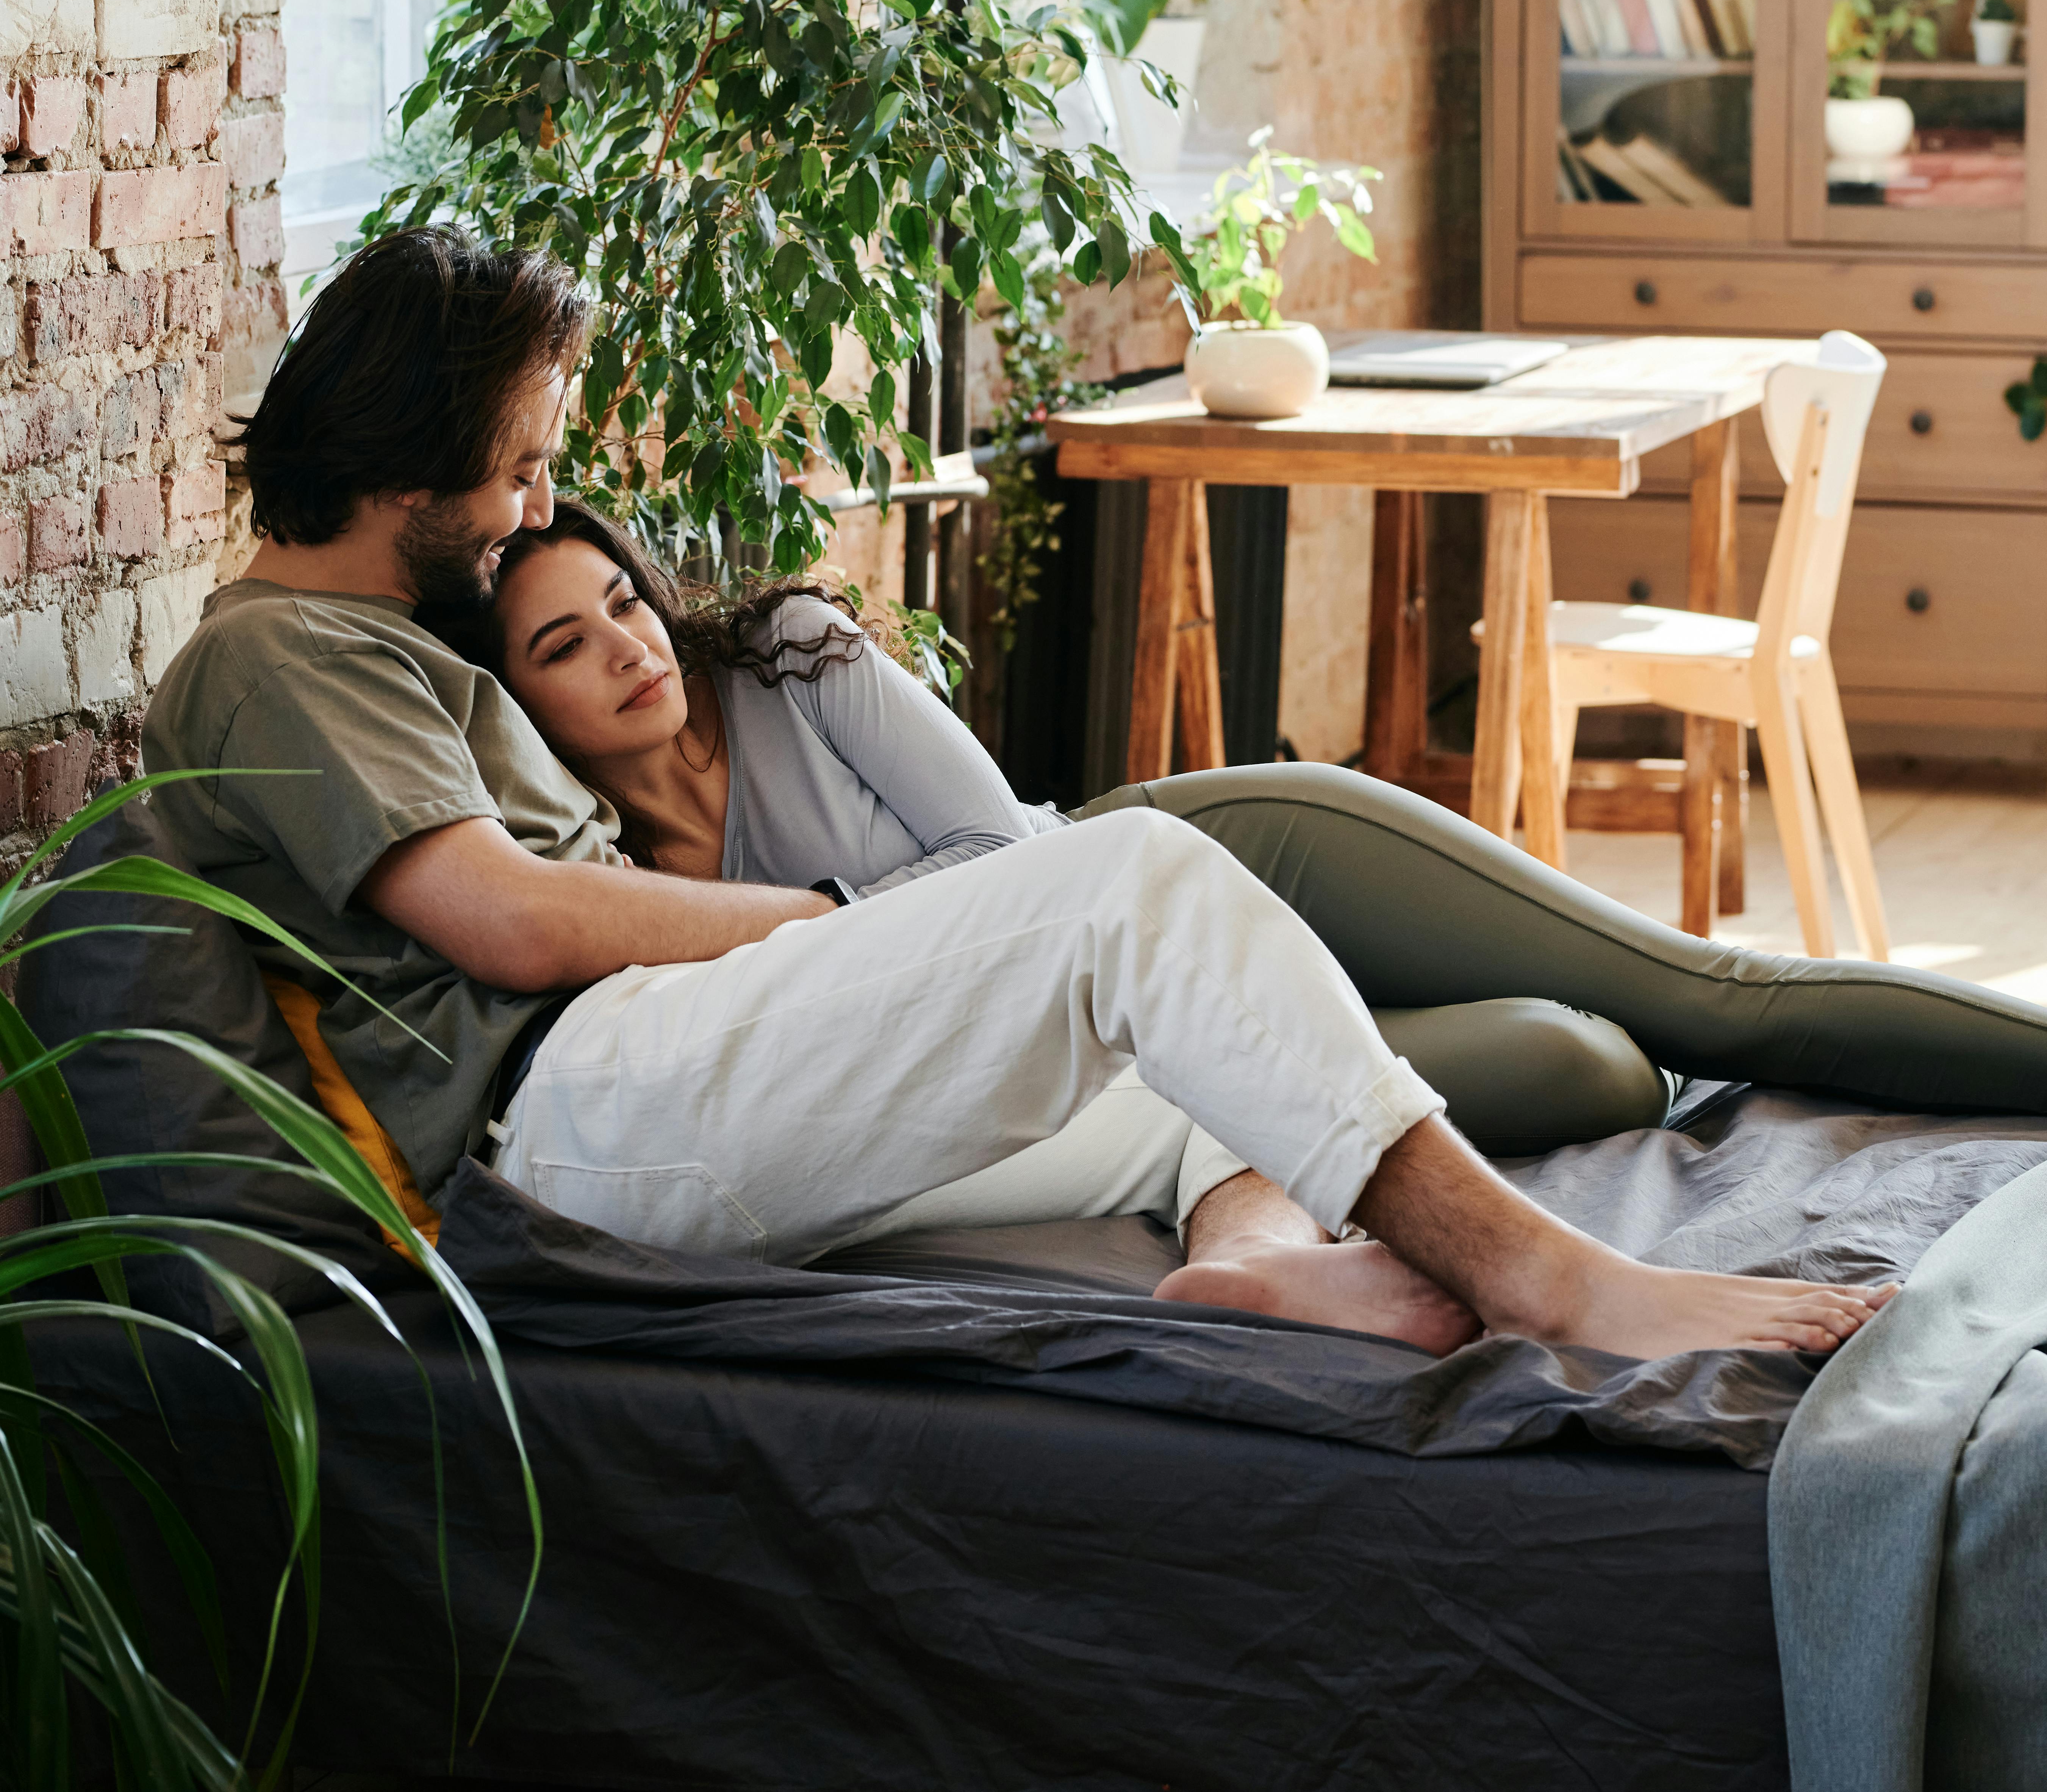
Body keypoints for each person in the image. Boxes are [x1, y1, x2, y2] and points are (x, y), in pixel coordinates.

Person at [142, 225, 1892, 1364]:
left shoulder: (383, 631)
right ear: (407, 451)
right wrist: (822, 921)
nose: (537, 505)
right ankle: (1552, 1278)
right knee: (1131, 882)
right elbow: (505, 919)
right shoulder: (277, 655)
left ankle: (1268, 1252)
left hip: (650, 1070)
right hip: (567, 1114)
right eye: (518, 464)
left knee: (1206, 1040)